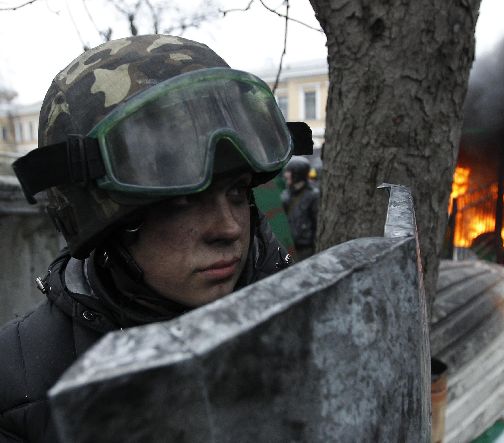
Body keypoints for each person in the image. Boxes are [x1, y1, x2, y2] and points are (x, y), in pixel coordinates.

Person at [0, 34, 311, 442]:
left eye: (236, 191)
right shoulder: (16, 379)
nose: (229, 228)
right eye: (181, 200)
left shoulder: (312, 318)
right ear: (109, 227)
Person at [281, 156, 319, 260]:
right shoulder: (286, 194)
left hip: (305, 251)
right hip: (288, 247)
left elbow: (317, 224)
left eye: (288, 171)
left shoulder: (313, 196)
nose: (285, 175)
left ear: (297, 173)